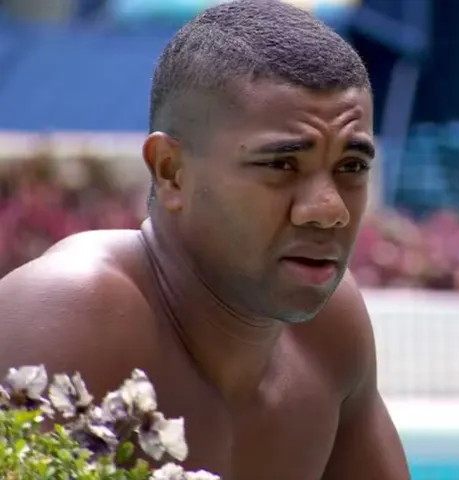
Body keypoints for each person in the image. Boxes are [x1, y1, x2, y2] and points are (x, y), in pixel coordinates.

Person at [0, 0, 410, 478]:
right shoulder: (72, 315)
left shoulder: (330, 332)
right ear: (171, 172)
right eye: (281, 164)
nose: (329, 209)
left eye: (352, 166)